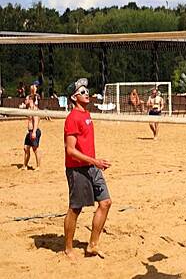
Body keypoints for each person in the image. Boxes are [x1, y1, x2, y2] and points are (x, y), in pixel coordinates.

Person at [63, 78, 112, 261]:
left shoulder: (86, 114)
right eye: (83, 92)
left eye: (87, 90)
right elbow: (71, 150)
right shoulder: (73, 118)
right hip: (78, 169)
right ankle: (68, 248)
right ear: (74, 97)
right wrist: (94, 161)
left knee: (105, 203)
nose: (87, 93)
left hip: (92, 166)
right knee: (75, 209)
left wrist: (95, 162)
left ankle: (93, 245)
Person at [23, 91, 42, 171]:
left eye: (26, 99)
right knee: (26, 148)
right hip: (29, 131)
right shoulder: (29, 109)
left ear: (30, 100)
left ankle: (38, 166)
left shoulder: (34, 109)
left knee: (35, 149)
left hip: (34, 131)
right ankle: (25, 165)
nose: (25, 100)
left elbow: (36, 121)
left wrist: (34, 132)